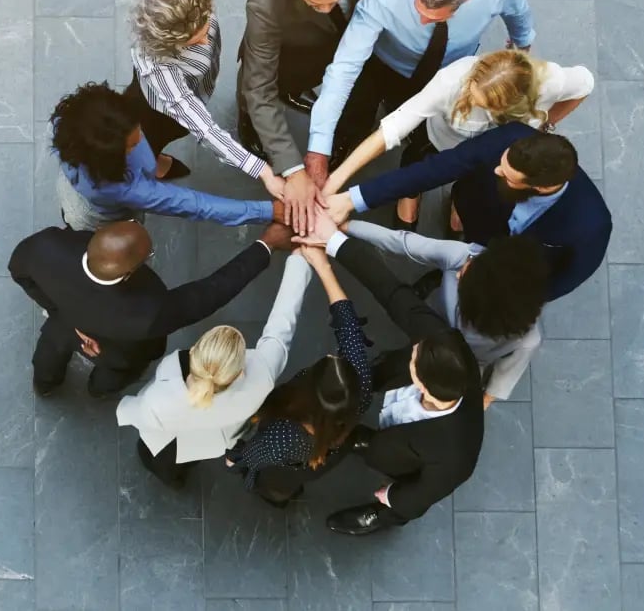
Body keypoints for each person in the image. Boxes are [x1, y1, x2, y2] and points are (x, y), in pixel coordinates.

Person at [295, 211, 485, 536]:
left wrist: (393, 498)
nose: (413, 346)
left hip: (399, 456)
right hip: (395, 398)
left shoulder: (456, 453)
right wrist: (334, 240)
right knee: (366, 383)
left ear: (421, 383)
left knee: (386, 477)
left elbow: (423, 495)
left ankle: (378, 517)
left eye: (413, 357)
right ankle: (358, 423)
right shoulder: (445, 342)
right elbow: (391, 291)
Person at [304, 0, 536, 189]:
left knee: (419, 117)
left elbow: (518, 11)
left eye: (432, 18)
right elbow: (344, 66)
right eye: (419, 10)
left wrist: (521, 48)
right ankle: (344, 140)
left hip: (446, 67)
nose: (422, 22)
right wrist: (318, 148)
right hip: (385, 61)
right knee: (357, 107)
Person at [8, 220, 295, 399]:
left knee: (50, 351)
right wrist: (265, 244)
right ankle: (99, 391)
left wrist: (61, 313)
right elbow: (210, 293)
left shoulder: (46, 246)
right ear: (130, 272)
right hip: (117, 351)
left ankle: (45, 384)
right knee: (115, 373)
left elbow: (19, 271)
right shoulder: (148, 312)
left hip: (63, 325)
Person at [324, 124, 611, 302]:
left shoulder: (590, 224)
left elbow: (566, 279)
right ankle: (442, 269)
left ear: (543, 187)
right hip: (477, 213)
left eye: (509, 177)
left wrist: (507, 298)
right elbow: (434, 170)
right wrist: (352, 200)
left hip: (507, 265)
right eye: (501, 165)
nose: (496, 171)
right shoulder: (509, 138)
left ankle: (442, 280)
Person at [324, 49, 594, 230]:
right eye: (472, 95)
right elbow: (394, 126)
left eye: (485, 104)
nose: (471, 102)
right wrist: (337, 179)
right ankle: (411, 193)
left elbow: (585, 84)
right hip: (441, 144)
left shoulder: (552, 80)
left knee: (480, 188)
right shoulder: (451, 81)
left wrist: (547, 125)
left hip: (499, 157)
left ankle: (460, 203)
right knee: (418, 164)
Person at [115, 251, 313, 488]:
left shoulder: (167, 378)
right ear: (239, 372)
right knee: (186, 460)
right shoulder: (263, 375)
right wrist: (301, 260)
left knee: (157, 458)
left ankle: (169, 476)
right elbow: (283, 324)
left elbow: (142, 412)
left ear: (196, 350)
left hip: (165, 434)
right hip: (212, 440)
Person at [235, 0, 367, 233]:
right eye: (314, 3)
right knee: (260, 94)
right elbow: (260, 88)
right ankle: (250, 127)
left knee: (305, 77)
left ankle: (294, 90)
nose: (325, 8)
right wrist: (293, 170)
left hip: (324, 44)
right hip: (284, 48)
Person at [224, 244, 374, 508]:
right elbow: (348, 328)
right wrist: (323, 267)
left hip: (283, 466)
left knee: (275, 487)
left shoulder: (283, 435)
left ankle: (278, 499)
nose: (331, 356)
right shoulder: (359, 385)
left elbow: (254, 456)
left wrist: (235, 459)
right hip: (323, 455)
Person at [340, 220, 548, 409]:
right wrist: (347, 226)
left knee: (408, 368)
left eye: (465, 278)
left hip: (462, 361)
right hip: (431, 317)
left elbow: (507, 371)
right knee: (397, 364)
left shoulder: (528, 340)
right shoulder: (465, 256)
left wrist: (485, 399)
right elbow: (403, 243)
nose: (459, 271)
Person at [127, 0, 285, 198]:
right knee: (152, 136)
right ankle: (152, 164)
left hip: (194, 87)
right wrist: (263, 172)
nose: (205, 40)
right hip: (160, 111)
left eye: (205, 28)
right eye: (193, 42)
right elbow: (206, 130)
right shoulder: (160, 68)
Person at [51, 82, 285, 230]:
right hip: (98, 218)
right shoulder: (124, 188)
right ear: (112, 158)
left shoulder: (73, 122)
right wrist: (268, 211)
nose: (139, 139)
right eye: (131, 147)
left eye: (138, 131)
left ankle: (156, 166)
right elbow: (194, 205)